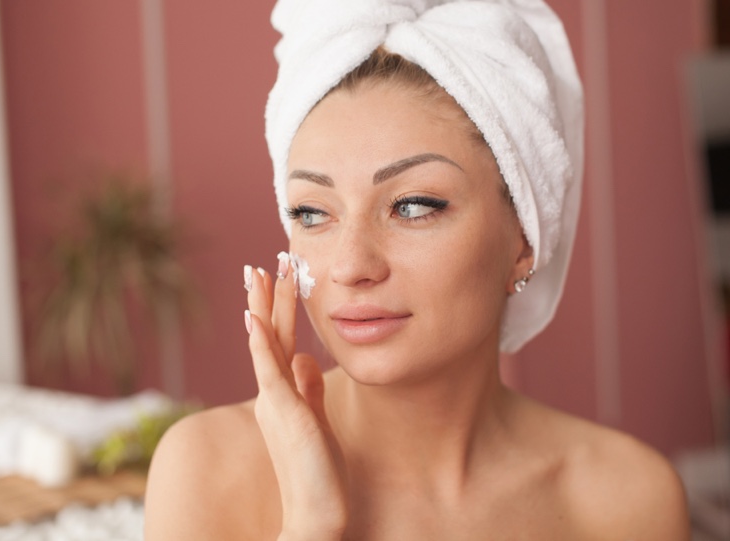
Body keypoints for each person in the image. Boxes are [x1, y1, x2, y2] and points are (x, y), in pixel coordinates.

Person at [145, 1, 691, 539]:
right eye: (312, 213)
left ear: (524, 239)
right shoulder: (207, 472)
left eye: (413, 206)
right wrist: (312, 526)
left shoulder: (627, 501)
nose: (351, 266)